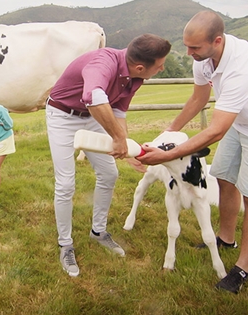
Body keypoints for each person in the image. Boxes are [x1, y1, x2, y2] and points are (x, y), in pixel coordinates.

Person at [138, 10, 248, 294]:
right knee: (224, 178)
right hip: (241, 119)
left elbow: (215, 131)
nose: (189, 53)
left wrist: (166, 155)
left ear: (217, 40)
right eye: (187, 46)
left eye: (195, 48)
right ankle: (226, 239)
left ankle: (242, 269)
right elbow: (199, 98)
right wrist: (166, 135)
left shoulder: (243, 66)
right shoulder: (203, 58)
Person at [46, 34, 171, 277]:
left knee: (109, 173)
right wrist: (118, 139)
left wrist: (129, 149)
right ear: (140, 67)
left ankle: (98, 231)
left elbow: (117, 112)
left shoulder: (135, 77)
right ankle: (65, 243)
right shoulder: (103, 62)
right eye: (160, 64)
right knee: (65, 183)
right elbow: (94, 98)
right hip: (62, 115)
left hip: (94, 117)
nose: (162, 67)